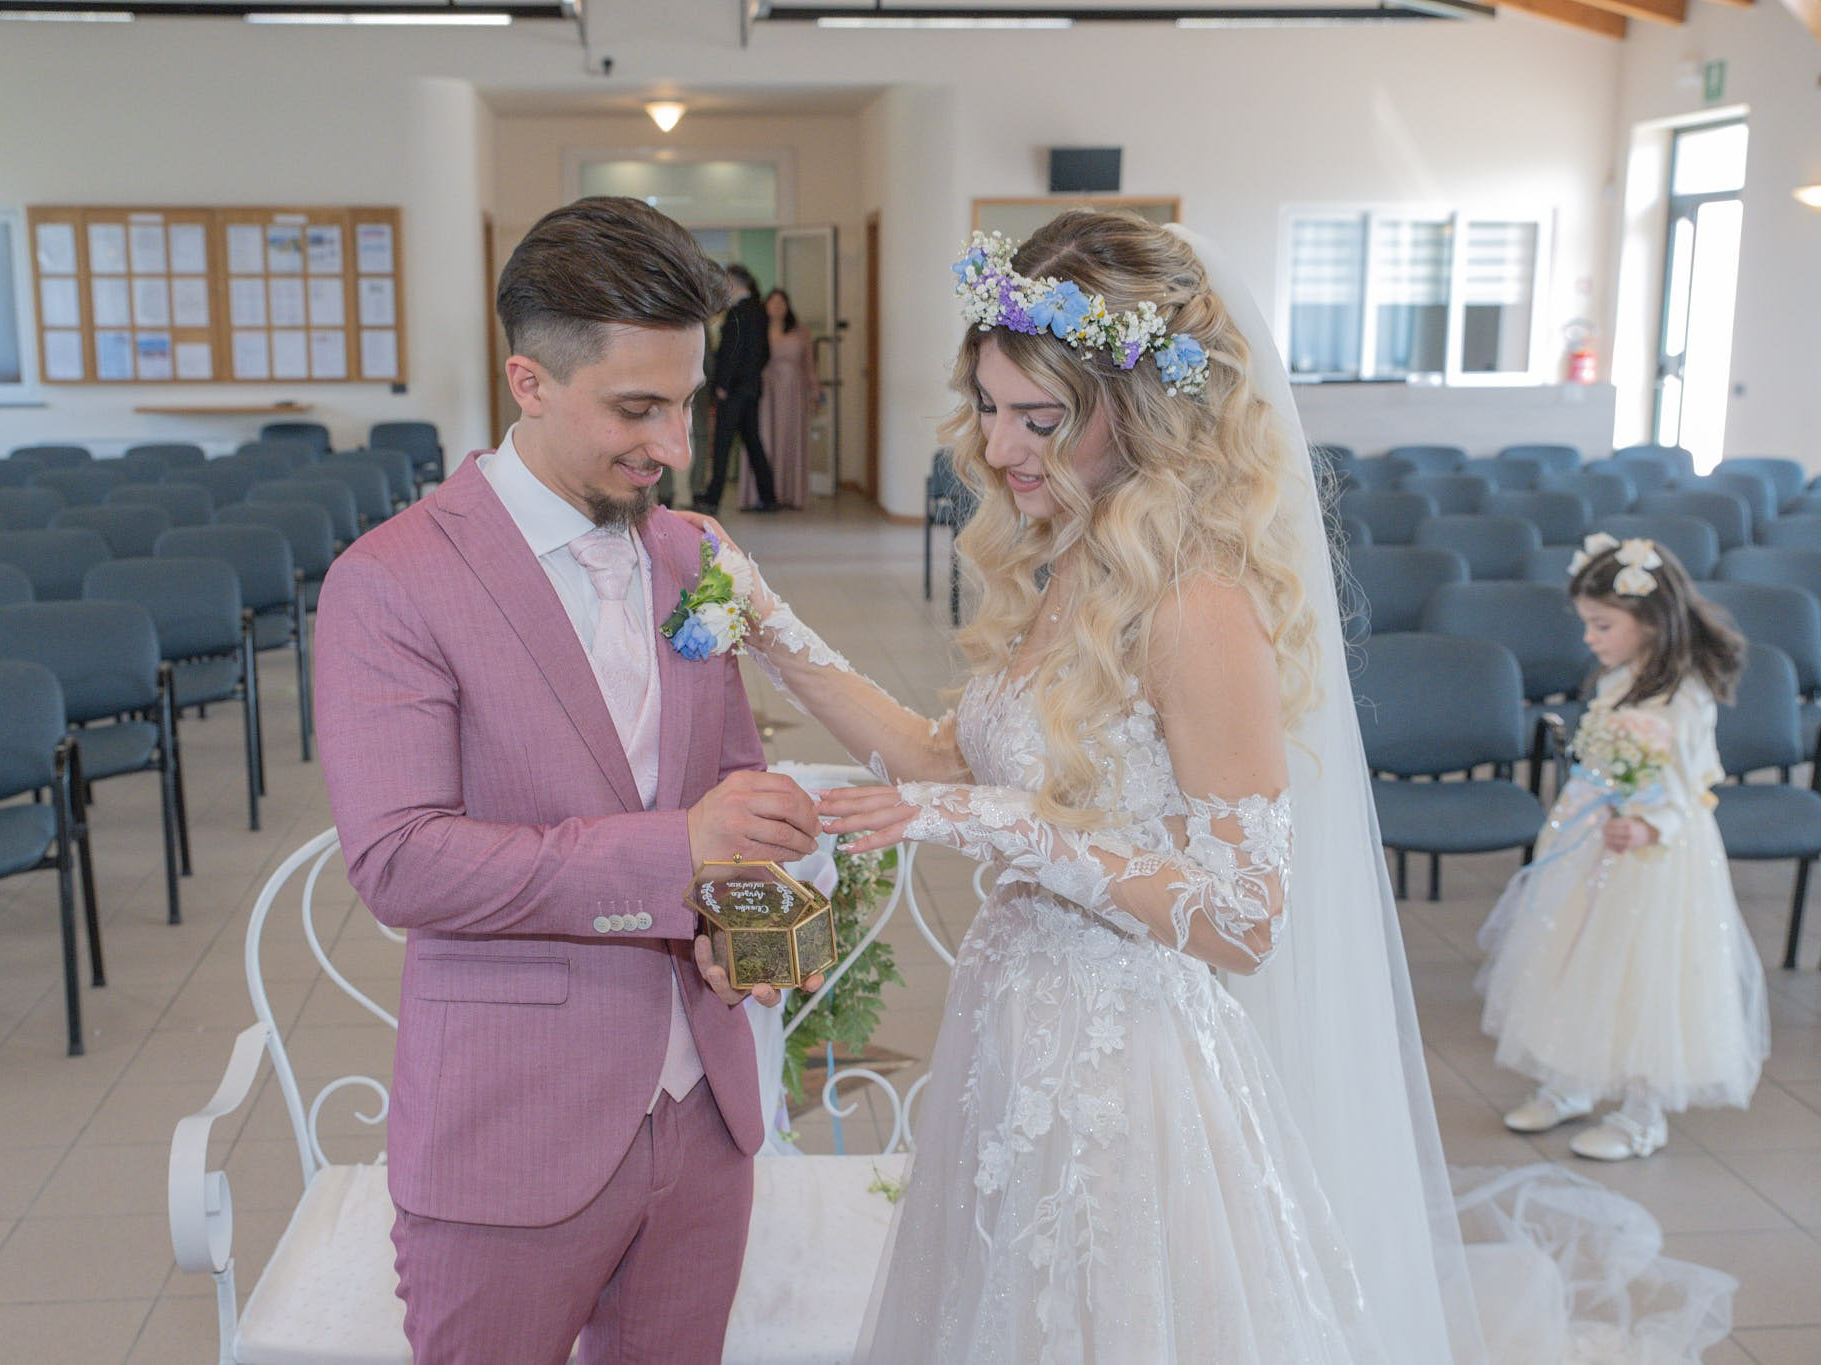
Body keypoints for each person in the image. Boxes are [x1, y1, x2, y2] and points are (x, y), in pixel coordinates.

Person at [683, 211, 1736, 1363]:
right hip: (1018, 1030)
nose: (998, 447)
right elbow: (945, 758)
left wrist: (984, 821)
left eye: (1040, 418)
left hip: (1125, 1069)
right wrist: (763, 619)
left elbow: (1240, 915)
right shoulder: (1080, 559)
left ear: (1137, 416)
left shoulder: (1194, 605)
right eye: (987, 408)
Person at [313, 196, 822, 1365]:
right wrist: (676, 853)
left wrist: (742, 895)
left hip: (704, 1117)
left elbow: (724, 773)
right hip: (514, 1121)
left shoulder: (693, 555)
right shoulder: (390, 583)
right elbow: (401, 860)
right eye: (634, 408)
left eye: (685, 402)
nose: (673, 446)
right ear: (528, 383)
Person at [1478, 535, 1765, 1161]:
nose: (1590, 638)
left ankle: (1643, 1111)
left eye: (1602, 624)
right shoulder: (1621, 679)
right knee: (1577, 954)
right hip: (1595, 839)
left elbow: (1693, 786)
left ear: (1651, 621)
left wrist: (1649, 825)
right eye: (1587, 624)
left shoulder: (1683, 696)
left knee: (1642, 973)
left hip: (1654, 857)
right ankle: (1572, 1081)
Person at [698, 264, 777, 515]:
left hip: (732, 391)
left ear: (734, 283)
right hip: (751, 389)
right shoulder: (759, 311)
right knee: (753, 442)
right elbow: (764, 354)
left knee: (722, 444)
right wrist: (750, 380)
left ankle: (712, 499)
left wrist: (722, 384)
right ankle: (769, 496)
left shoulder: (737, 314)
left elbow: (730, 354)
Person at [744, 288, 819, 512]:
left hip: (793, 392)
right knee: (765, 438)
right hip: (766, 391)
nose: (777, 306)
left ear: (788, 306)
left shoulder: (800, 331)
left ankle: (791, 494)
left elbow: (809, 365)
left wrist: (815, 390)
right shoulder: (758, 329)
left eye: (782, 302)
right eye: (773, 302)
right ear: (765, 306)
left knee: (790, 437)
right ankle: (763, 493)